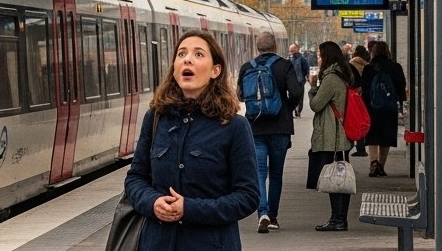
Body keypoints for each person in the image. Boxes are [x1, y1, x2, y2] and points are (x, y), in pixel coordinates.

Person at [125, 30, 259, 250]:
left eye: (198, 54)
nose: (187, 59)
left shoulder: (234, 126)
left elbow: (248, 196)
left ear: (216, 70)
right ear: (175, 69)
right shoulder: (156, 118)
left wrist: (190, 209)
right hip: (157, 243)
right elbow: (135, 178)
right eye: (181, 54)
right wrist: (152, 202)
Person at [239, 31, 303, 234]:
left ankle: (262, 213)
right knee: (276, 174)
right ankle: (273, 217)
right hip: (280, 127)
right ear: (275, 46)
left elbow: (240, 96)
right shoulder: (284, 65)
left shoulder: (247, 67)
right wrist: (286, 107)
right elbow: (296, 92)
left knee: (259, 173)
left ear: (257, 47)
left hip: (255, 128)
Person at [305, 40, 355, 231]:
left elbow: (316, 104)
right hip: (341, 136)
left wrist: (312, 88)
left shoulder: (331, 78)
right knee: (342, 177)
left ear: (327, 56)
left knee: (335, 179)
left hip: (332, 137)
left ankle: (337, 219)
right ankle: (340, 218)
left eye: (320, 54)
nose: (318, 58)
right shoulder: (343, 74)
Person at [360, 40, 407, 177]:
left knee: (373, 135)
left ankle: (373, 162)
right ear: (387, 51)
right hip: (389, 107)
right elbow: (401, 86)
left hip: (372, 108)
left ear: (373, 52)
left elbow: (365, 88)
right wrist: (400, 103)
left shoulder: (369, 68)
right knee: (386, 136)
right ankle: (381, 164)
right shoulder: (395, 67)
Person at [348, 44, 371, 157]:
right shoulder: (368, 65)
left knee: (353, 120)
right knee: (362, 120)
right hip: (365, 96)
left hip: (354, 95)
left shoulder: (351, 63)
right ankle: (362, 147)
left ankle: (355, 145)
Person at [287, 42, 310, 117]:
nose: (291, 51)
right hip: (291, 81)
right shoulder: (289, 58)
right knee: (291, 96)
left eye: (293, 49)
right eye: (290, 49)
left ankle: (298, 110)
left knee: (300, 96)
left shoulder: (302, 59)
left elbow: (306, 68)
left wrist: (306, 76)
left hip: (300, 80)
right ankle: (293, 109)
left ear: (297, 49)